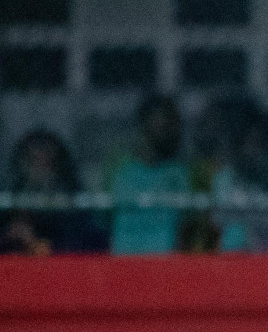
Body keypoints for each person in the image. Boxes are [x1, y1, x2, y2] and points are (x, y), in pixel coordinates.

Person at [109, 95, 190, 255]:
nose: (166, 128)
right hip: (124, 263)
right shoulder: (120, 170)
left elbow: (184, 227)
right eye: (160, 121)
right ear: (144, 123)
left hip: (163, 265)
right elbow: (106, 221)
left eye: (170, 123)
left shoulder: (178, 174)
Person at [2, 130, 103, 254]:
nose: (38, 168)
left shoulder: (74, 205)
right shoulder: (8, 202)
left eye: (45, 162)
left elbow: (91, 243)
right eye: (32, 160)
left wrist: (48, 246)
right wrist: (10, 238)